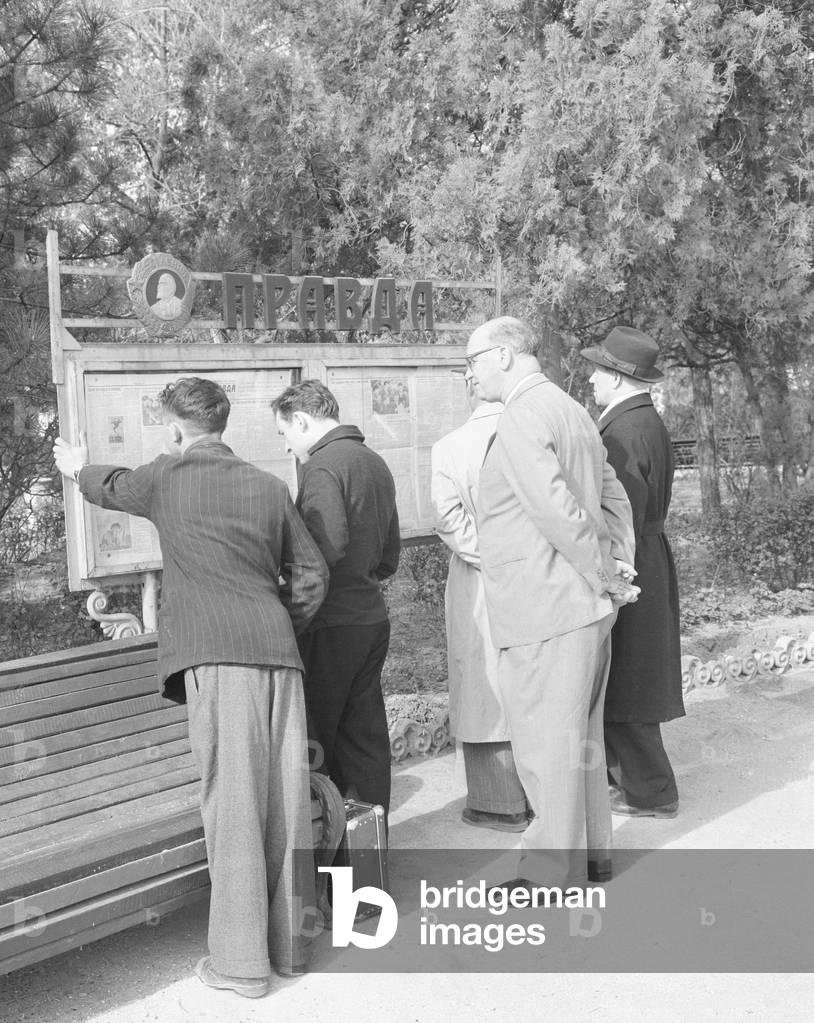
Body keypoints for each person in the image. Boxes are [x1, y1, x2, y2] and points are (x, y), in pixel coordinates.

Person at [53, 377, 329, 1000]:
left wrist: (75, 467)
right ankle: (291, 946)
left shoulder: (166, 476)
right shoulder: (267, 486)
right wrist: (280, 625)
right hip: (279, 657)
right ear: (223, 425)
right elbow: (311, 575)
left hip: (217, 658)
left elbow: (110, 484)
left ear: (175, 429)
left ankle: (240, 965)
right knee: (286, 798)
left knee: (231, 803)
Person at [466, 316, 638, 891]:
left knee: (544, 743)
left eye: (473, 362)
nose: (470, 376)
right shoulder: (572, 410)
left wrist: (604, 573)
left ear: (506, 355)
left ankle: (548, 870)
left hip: (545, 604)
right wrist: (618, 563)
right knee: (579, 743)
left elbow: (555, 509)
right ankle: (590, 858)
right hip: (581, 606)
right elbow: (613, 493)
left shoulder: (521, 416)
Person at [272, 379, 400, 818]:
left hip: (330, 625)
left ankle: (328, 866)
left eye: (285, 433)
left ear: (302, 420)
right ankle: (369, 868)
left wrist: (290, 604)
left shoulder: (322, 467)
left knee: (318, 745)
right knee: (365, 743)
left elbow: (321, 554)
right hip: (370, 618)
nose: (288, 447)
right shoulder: (373, 461)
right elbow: (388, 557)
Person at [582, 326, 685, 818]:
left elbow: (620, 511)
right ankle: (637, 783)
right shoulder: (645, 420)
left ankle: (652, 791)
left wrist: (612, 576)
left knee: (629, 675)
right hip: (649, 551)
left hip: (632, 557)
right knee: (634, 670)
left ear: (620, 378)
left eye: (600, 370)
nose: (592, 379)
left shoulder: (622, 430)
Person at [431, 369, 529, 832]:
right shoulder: (533, 429)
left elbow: (449, 521)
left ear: (471, 389)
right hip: (538, 574)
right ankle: (542, 795)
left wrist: (491, 556)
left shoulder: (450, 446)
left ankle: (498, 801)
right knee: (530, 680)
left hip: (480, 577)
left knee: (482, 685)